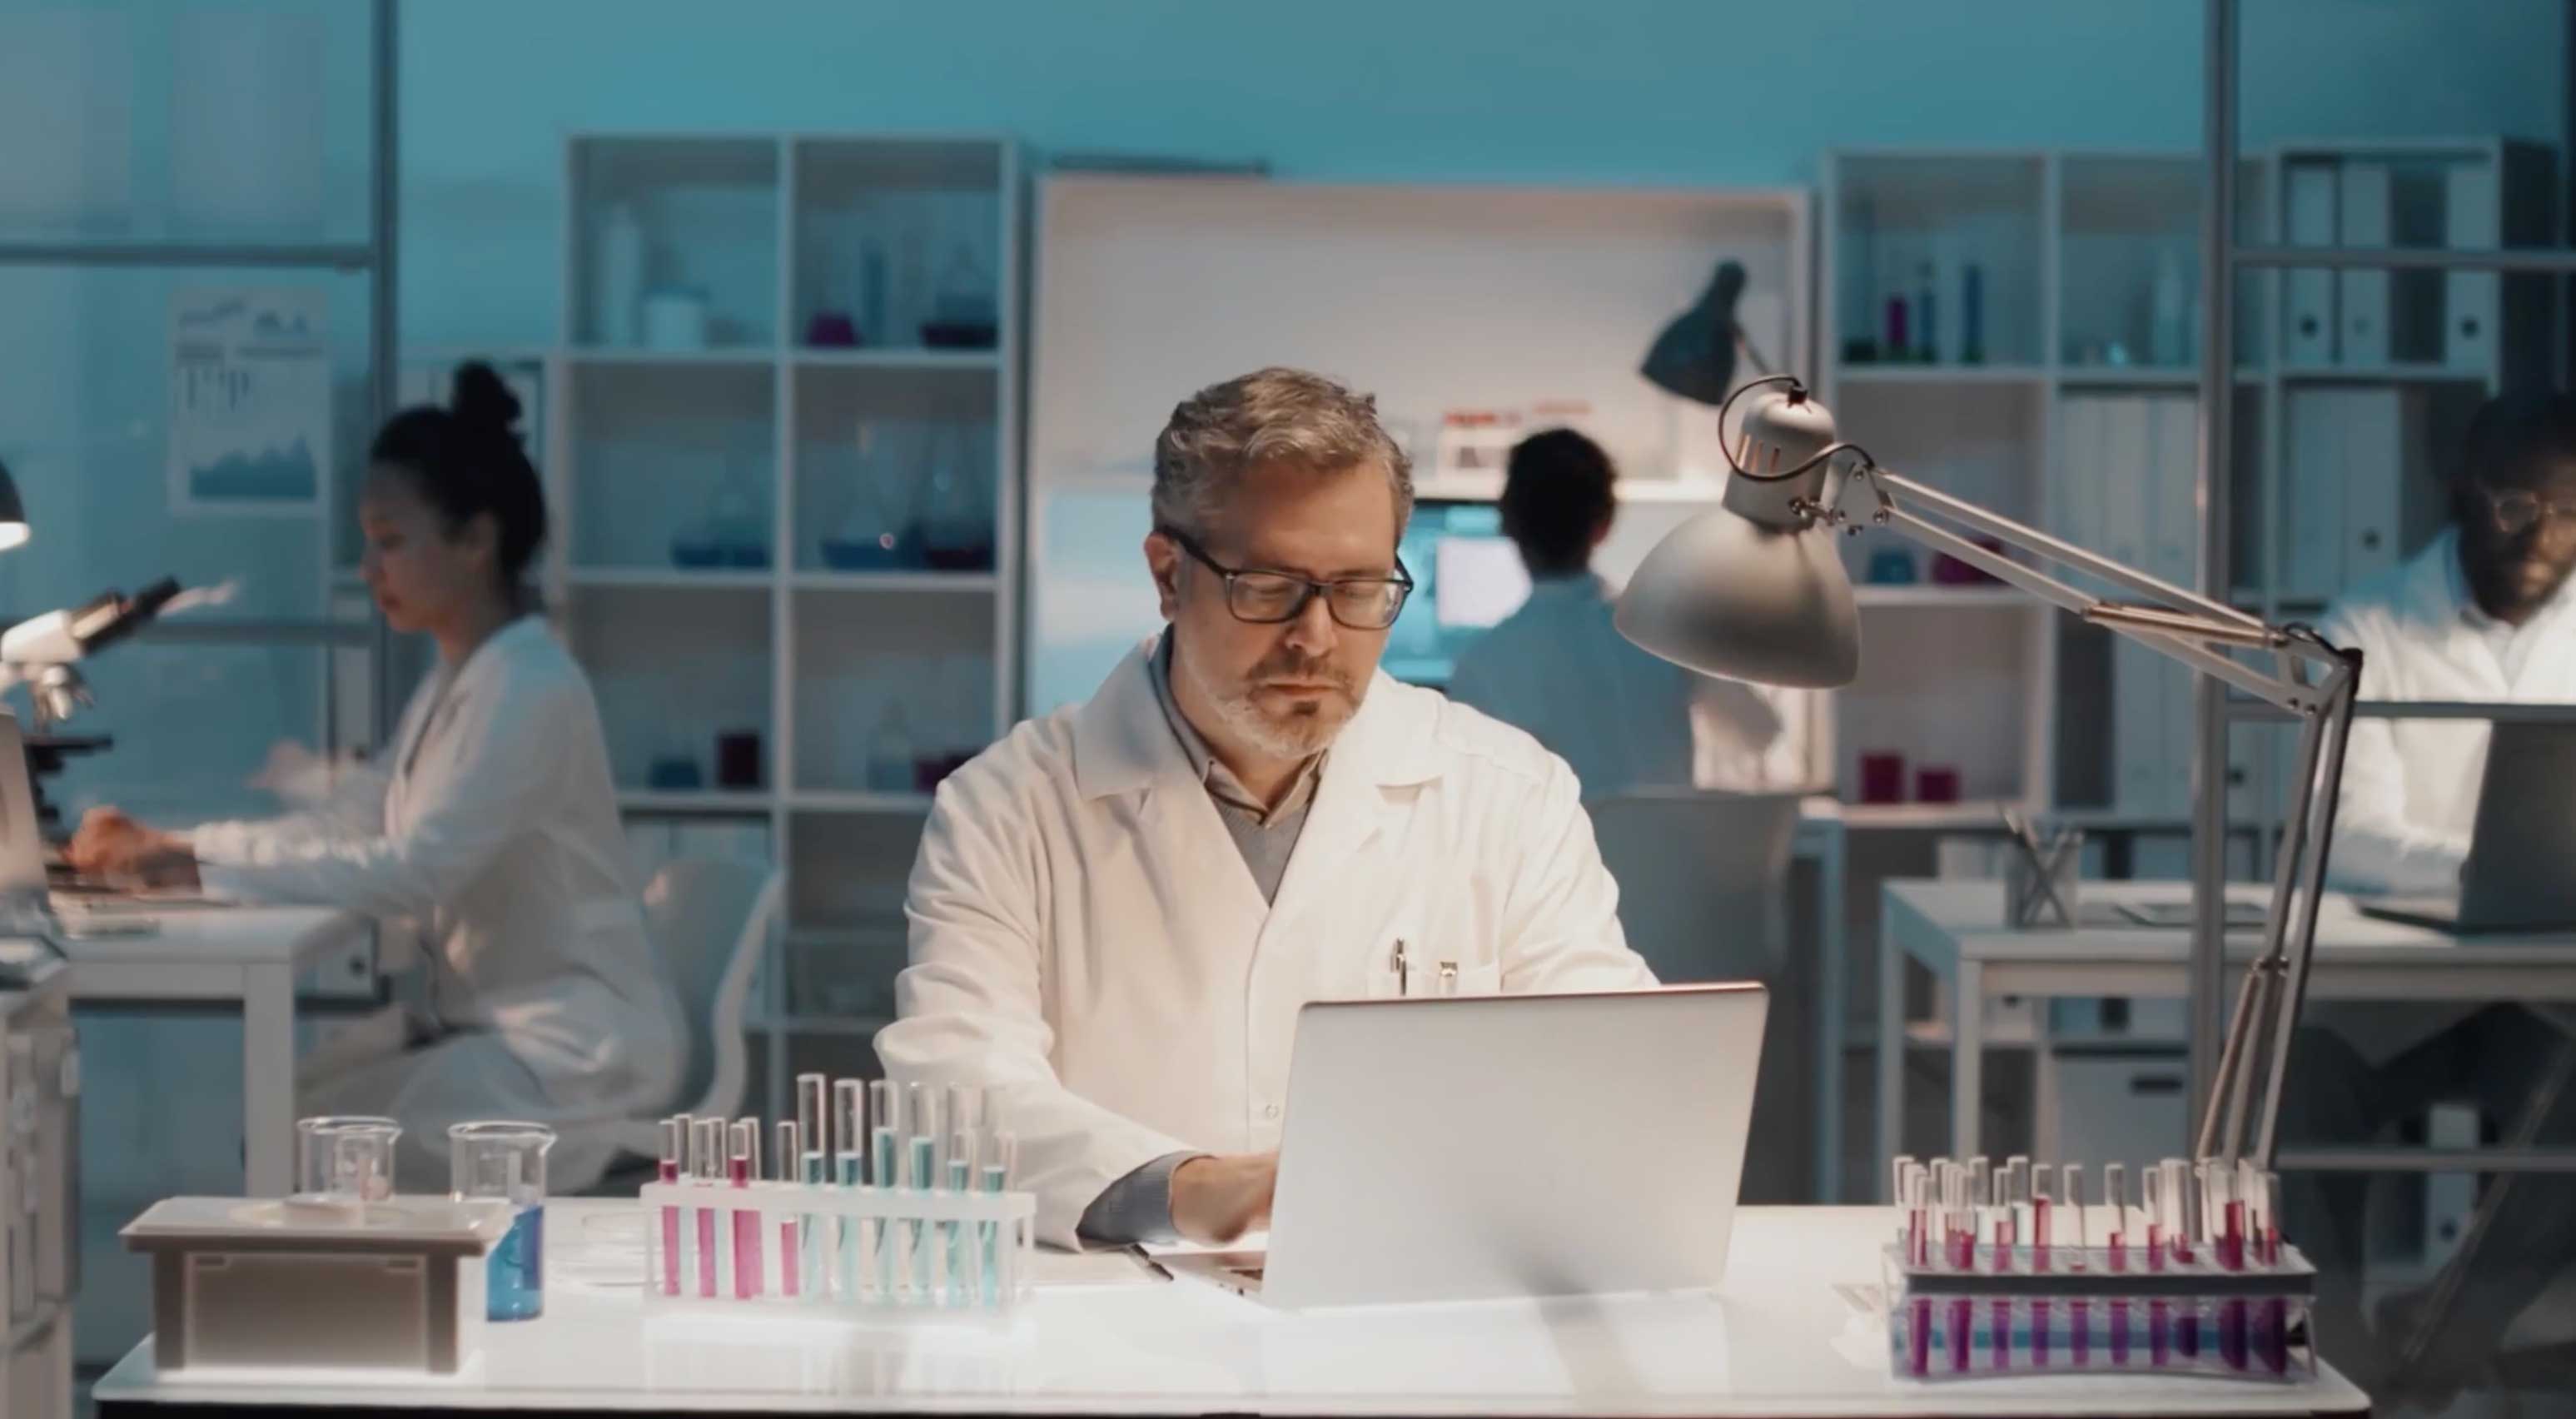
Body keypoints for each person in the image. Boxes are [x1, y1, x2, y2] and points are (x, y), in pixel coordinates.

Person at [876, 367, 1656, 1248]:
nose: (1315, 638)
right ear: (1168, 575)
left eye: (1358, 591)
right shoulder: (1007, 807)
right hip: (1118, 1330)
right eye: (1268, 586)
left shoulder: (1508, 794)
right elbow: (956, 1088)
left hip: (1411, 1313)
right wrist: (1195, 1190)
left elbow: (1608, 1071)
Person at [66, 364, 684, 1193]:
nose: (369, 568)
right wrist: (179, 846)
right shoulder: (463, 678)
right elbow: (355, 819)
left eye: (390, 541)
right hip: (507, 1030)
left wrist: (185, 863)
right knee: (287, 1119)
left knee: (295, 1144)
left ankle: (362, 1313)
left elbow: (415, 867)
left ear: (476, 539)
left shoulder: (532, 687)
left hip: (577, 1056)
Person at [2282, 391, 2576, 1402]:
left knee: (2574, 1090)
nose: (2541, 534)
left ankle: (2436, 1348)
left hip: (2538, 996)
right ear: (2459, 490)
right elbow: (2348, 832)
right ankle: (2330, 1359)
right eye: (2514, 505)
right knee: (2300, 1078)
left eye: (2571, 511)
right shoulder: (2366, 625)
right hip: (2395, 993)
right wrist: (2488, 872)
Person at [1446, 428, 1810, 798]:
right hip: (1670, 853)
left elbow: (1468, 803)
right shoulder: (1670, 630)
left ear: (1507, 523)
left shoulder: (1483, 665)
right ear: (1604, 526)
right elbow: (1760, 732)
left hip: (1555, 855)